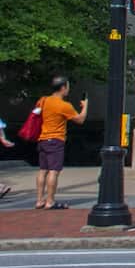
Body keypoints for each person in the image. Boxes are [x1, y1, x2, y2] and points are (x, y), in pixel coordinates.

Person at [31, 77, 86, 210]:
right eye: (67, 87)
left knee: (42, 170)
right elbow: (80, 120)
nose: (68, 89)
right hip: (56, 140)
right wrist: (85, 106)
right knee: (53, 171)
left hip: (43, 139)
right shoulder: (63, 105)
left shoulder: (43, 100)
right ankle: (50, 201)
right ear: (62, 88)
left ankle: (39, 200)